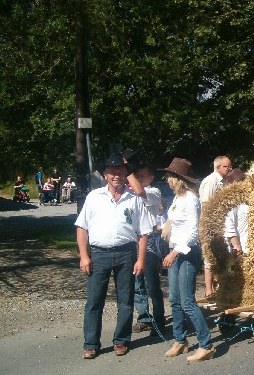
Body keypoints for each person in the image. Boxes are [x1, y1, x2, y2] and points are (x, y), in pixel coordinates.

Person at [75, 152, 152, 359]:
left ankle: (121, 340)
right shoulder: (94, 197)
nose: (116, 175)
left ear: (126, 174)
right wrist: (84, 256)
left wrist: (141, 259)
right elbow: (82, 228)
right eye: (111, 172)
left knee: (125, 301)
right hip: (99, 255)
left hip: (126, 254)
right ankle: (91, 344)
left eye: (120, 172)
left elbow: (143, 232)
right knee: (94, 301)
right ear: (105, 175)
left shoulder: (133, 200)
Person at [160, 158, 215, 362]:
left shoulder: (191, 199)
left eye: (170, 176)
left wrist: (174, 252)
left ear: (178, 178)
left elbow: (193, 232)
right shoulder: (177, 198)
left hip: (187, 253)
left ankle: (205, 344)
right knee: (174, 300)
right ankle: (180, 339)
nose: (167, 179)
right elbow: (176, 223)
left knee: (187, 301)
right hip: (175, 250)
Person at [127, 165, 166, 335]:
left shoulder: (154, 192)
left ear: (151, 178)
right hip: (133, 240)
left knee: (152, 284)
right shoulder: (129, 195)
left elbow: (139, 190)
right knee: (137, 284)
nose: (140, 178)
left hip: (149, 241)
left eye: (144, 175)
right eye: (138, 175)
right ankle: (143, 317)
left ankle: (159, 320)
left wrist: (127, 170)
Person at [199, 155, 232, 299]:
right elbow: (206, 205)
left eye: (230, 166)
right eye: (227, 166)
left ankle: (218, 288)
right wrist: (210, 227)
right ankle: (209, 290)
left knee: (219, 256)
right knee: (210, 257)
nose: (230, 169)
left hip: (219, 223)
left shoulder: (221, 182)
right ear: (218, 167)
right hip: (211, 224)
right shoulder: (211, 181)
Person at [224, 168, 249, 254]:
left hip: (248, 246)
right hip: (241, 249)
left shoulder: (244, 199)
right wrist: (237, 246)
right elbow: (229, 225)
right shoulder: (231, 200)